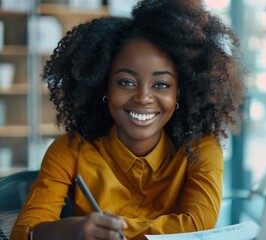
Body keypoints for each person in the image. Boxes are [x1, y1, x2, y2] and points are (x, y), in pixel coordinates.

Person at [10, 0, 244, 239]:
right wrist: (77, 230)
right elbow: (22, 231)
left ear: (179, 94)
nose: (143, 98)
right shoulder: (70, 151)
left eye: (161, 84)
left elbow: (198, 225)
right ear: (105, 86)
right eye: (126, 82)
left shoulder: (200, 149)